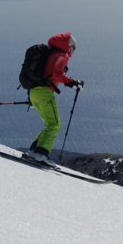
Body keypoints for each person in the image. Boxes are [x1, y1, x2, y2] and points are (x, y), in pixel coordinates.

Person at [26, 32, 83, 166]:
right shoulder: (61, 56)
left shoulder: (50, 54)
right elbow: (57, 74)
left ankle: (34, 150)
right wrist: (73, 83)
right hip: (45, 93)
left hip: (34, 92)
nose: (74, 51)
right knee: (55, 124)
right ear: (68, 46)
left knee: (50, 124)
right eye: (74, 47)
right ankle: (40, 153)